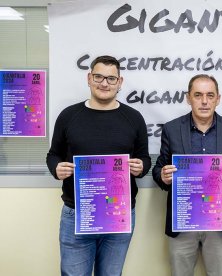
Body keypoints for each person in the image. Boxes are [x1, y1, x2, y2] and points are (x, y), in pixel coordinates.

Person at [46, 55, 151, 276]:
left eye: (111, 79)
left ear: (120, 82)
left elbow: (145, 158)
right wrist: (56, 168)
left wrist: (141, 166)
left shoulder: (134, 118)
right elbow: (53, 154)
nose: (104, 83)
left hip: (119, 214)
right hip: (77, 213)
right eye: (99, 77)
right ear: (89, 78)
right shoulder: (68, 116)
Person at [152, 74, 222, 276]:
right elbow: (158, 169)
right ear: (188, 98)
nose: (204, 101)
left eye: (210, 95)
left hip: (218, 222)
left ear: (218, 98)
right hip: (183, 221)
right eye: (198, 95)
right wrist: (162, 176)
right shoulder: (171, 129)